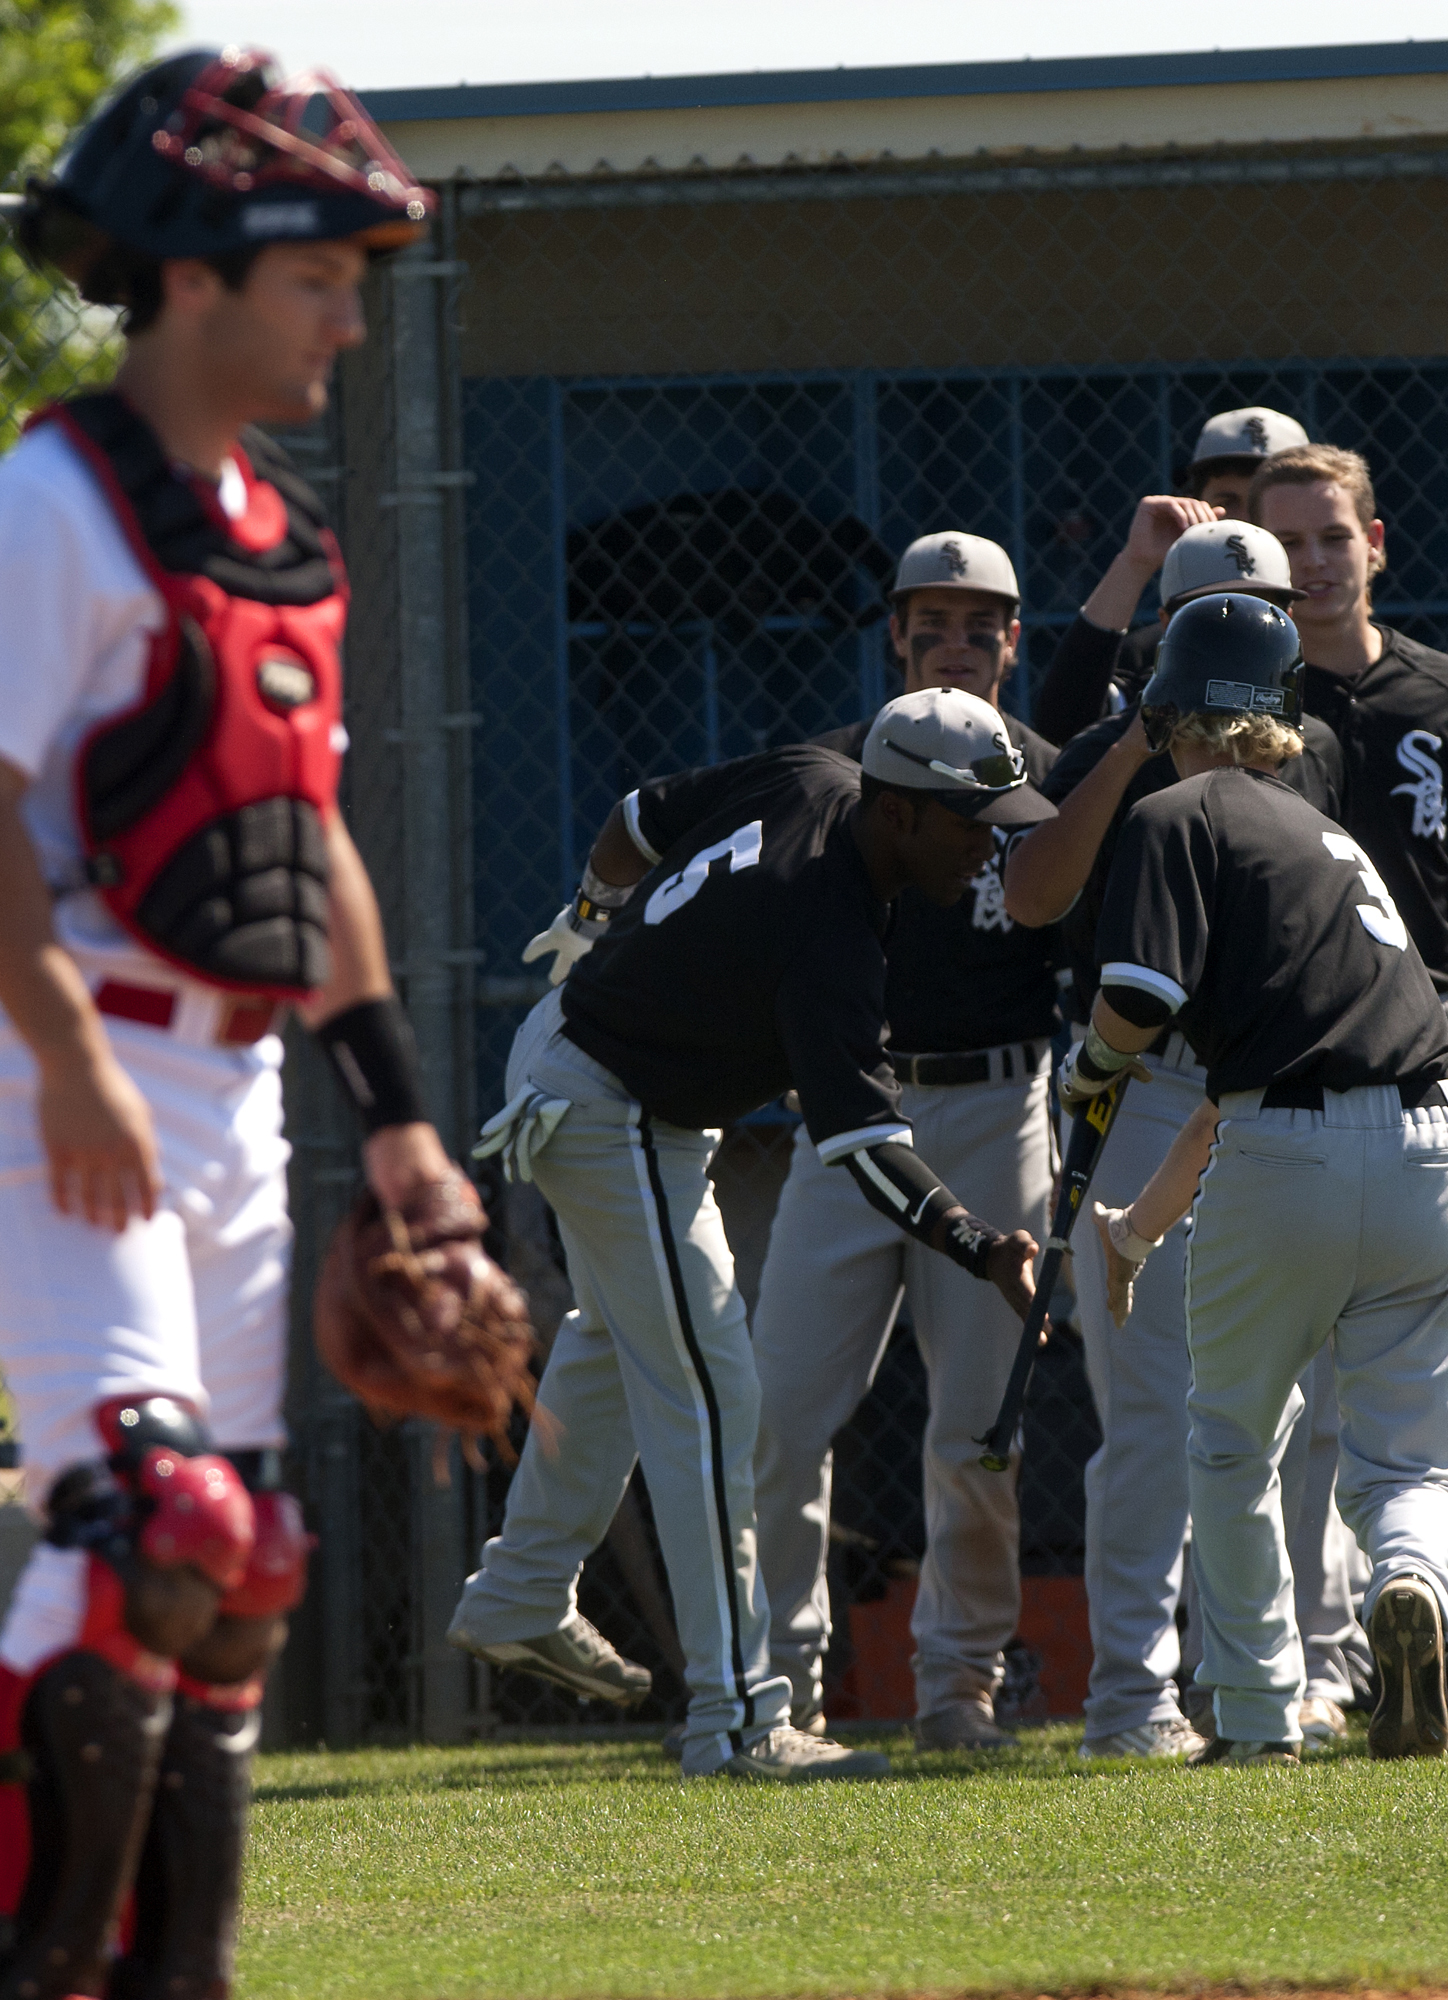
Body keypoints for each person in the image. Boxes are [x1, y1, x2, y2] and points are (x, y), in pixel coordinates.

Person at [0, 50, 461, 1999]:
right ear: (192, 273)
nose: (351, 316)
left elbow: (302, 846)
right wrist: (68, 1047)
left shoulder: (280, 534)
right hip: (65, 1071)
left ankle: (182, 1975)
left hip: (238, 1084)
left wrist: (400, 1123)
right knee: (148, 1523)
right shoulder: (54, 503)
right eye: (317, 277)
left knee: (244, 1563)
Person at [453, 689, 1057, 1781]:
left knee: (624, 1338)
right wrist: (979, 1242)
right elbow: (866, 1144)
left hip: (598, 1068)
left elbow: (638, 817)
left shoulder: (807, 772)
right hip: (606, 1101)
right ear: (903, 811)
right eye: (970, 820)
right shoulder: (825, 923)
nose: (987, 844)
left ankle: (521, 1590)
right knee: (712, 1392)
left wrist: (591, 910)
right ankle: (735, 1718)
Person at [1076, 591, 1448, 1765]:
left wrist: (1085, 1073)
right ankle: (1412, 1580)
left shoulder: (1180, 811)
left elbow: (1137, 999)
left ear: (1166, 704)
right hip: (1427, 1142)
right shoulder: (1323, 836)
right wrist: (1139, 1223)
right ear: (1282, 712)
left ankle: (1253, 1715)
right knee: (1406, 1453)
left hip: (1282, 1150)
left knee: (1231, 1440)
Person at [1004, 524, 1355, 1760]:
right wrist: (1137, 744)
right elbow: (1028, 894)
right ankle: (1129, 1698)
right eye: (1212, 604)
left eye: (1255, 603)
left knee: (1294, 1396)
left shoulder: (1311, 753)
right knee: (1150, 1412)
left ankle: (1274, 1674)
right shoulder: (1113, 747)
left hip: (1260, 1092)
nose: (1237, 626)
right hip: (1141, 1085)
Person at [749, 532, 1061, 1750]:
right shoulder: (837, 774)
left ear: (1012, 640)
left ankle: (956, 1684)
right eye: (930, 621)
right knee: (780, 1406)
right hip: (851, 1111)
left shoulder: (1036, 776)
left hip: (995, 1103)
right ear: (892, 633)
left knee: (978, 1421)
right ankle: (777, 1680)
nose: (954, 642)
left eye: (979, 623)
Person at [1249, 444, 1448, 997]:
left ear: (1374, 542)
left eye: (1335, 537)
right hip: (1292, 1007)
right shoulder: (1245, 700)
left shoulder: (1439, 691)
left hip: (1435, 1000)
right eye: (1289, 543)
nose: (1313, 559)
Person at [1034, 406, 1310, 745]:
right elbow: (1061, 730)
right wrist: (1134, 563)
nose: (1248, 520)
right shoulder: (1169, 642)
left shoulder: (1331, 635)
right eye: (1229, 500)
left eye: (1264, 502)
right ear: (1197, 504)